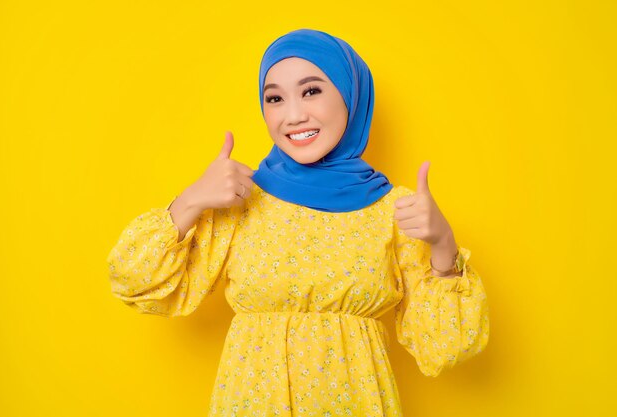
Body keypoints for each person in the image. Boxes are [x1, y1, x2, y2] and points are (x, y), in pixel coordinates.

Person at [106, 28, 489, 415]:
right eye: (275, 98)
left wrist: (443, 243)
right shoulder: (239, 197)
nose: (293, 115)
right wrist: (191, 200)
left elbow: (446, 346)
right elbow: (135, 282)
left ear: (351, 95)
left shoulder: (398, 210)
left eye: (311, 91)